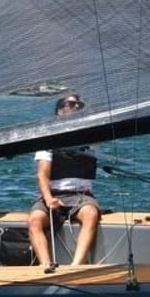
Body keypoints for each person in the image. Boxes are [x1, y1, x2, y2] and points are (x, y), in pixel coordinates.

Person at [28, 94, 101, 272]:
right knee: (34, 221)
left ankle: (76, 266)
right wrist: (48, 199)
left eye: (79, 105)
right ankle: (45, 265)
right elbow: (42, 175)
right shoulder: (47, 141)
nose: (75, 107)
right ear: (59, 110)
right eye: (70, 104)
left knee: (90, 214)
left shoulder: (91, 138)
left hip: (81, 195)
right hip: (54, 194)